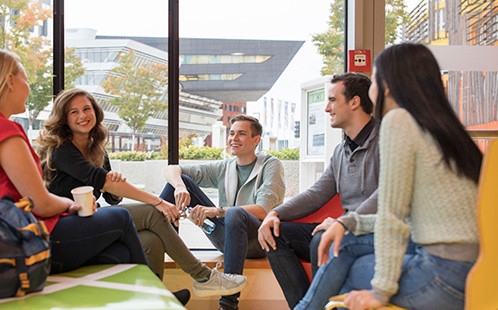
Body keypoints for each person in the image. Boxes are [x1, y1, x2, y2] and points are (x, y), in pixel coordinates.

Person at [36, 88, 247, 297]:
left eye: (86, 108)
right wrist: (158, 201)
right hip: (63, 224)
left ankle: (155, 298)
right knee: (152, 212)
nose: (82, 115)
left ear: (95, 112)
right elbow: (103, 181)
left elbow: (111, 195)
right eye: (74, 112)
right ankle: (203, 277)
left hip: (89, 218)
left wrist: (115, 189)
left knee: (150, 240)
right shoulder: (61, 149)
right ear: (64, 118)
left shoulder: (96, 148)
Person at [324, 43, 481, 310]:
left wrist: (380, 292)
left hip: (442, 275)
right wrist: (353, 222)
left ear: (386, 85)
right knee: (354, 259)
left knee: (351, 271)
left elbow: (392, 216)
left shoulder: (398, 121)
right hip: (479, 271)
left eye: (373, 79)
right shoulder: (447, 131)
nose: (371, 88)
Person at [0, 50, 148, 275]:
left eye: (87, 109)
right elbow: (40, 203)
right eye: (26, 79)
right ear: (10, 80)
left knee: (121, 254)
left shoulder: (96, 147)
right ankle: (157, 295)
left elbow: (108, 192)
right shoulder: (7, 132)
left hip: (18, 232)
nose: (28, 87)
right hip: (27, 234)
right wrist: (69, 205)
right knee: (122, 218)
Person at [257, 72, 380, 309]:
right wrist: (276, 214)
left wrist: (344, 221)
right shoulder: (341, 150)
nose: (326, 108)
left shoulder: (385, 139)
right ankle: (304, 305)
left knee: (321, 239)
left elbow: (386, 195)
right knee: (275, 234)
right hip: (343, 226)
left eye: (333, 100)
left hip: (370, 229)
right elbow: (317, 193)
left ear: (355, 102)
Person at [162, 114, 286, 310]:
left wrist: (216, 211)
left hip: (258, 241)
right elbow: (172, 169)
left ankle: (228, 304)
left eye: (241, 134)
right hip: (228, 239)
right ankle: (158, 285)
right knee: (180, 182)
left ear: (256, 140)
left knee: (234, 213)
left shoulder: (271, 165)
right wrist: (179, 187)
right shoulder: (225, 166)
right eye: (232, 133)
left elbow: (262, 210)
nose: (234, 138)